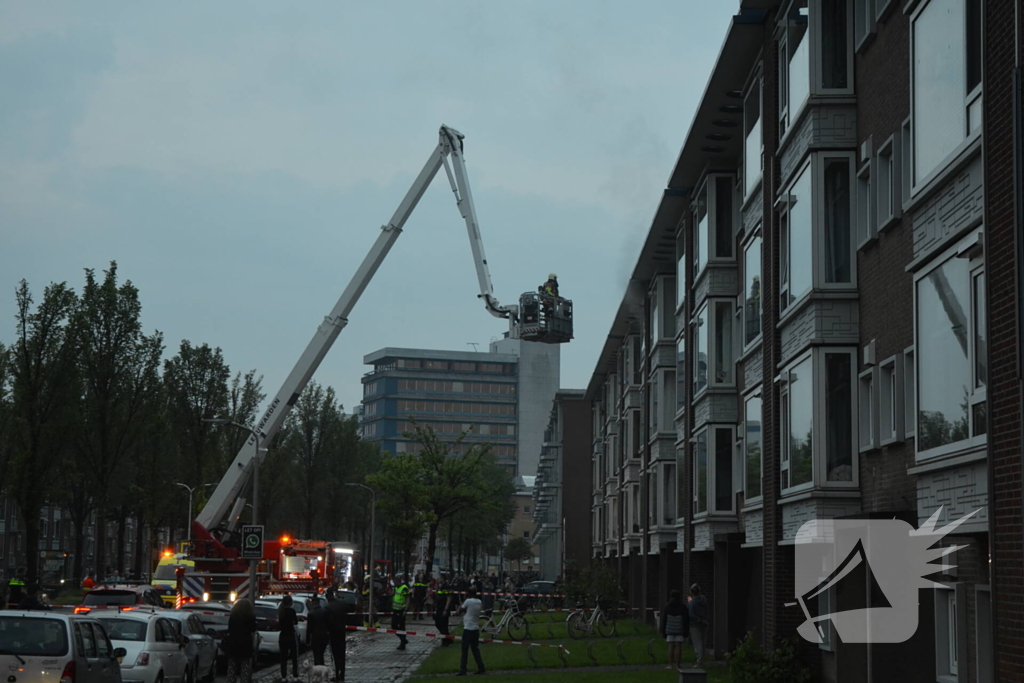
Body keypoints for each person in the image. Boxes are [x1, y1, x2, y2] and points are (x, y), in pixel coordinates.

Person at [223, 599, 257, 683]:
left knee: (232, 664)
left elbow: (230, 628)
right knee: (244, 664)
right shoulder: (250, 616)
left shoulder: (233, 615)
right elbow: (253, 629)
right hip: (245, 643)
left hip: (233, 642)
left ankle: (231, 680)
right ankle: (244, 680)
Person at [456, 587, 485, 676]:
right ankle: (481, 667)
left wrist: (462, 603)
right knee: (475, 649)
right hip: (475, 628)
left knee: (464, 650)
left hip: (468, 628)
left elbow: (459, 611)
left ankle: (463, 669)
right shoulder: (479, 602)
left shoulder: (468, 601)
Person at [660, 590, 689, 671]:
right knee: (678, 646)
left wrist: (663, 631)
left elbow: (664, 619)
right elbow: (686, 620)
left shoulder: (667, 606)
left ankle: (670, 665)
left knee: (670, 647)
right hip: (679, 629)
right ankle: (678, 665)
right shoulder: (683, 607)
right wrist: (686, 631)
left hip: (670, 629)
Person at [326, 591, 350, 681]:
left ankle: (337, 674)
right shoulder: (341, 604)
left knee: (335, 655)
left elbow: (329, 622)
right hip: (342, 632)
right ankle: (342, 674)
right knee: (342, 654)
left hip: (333, 634)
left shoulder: (328, 607)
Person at [277, 595, 300, 681]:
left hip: (283, 635)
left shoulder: (280, 611)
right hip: (291, 635)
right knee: (294, 657)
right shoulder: (292, 611)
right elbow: (295, 623)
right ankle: (295, 676)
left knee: (283, 658)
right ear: (290, 603)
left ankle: (284, 676)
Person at [307, 598, 332, 667]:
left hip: (315, 636)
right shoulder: (325, 612)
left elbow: (309, 628)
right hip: (324, 635)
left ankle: (318, 668)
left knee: (316, 654)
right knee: (321, 653)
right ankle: (322, 666)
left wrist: (307, 640)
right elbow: (329, 623)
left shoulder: (311, 613)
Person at [688, 584, 709, 666]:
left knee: (697, 643)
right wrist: (705, 620)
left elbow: (691, 614)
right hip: (705, 623)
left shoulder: (692, 603)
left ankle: (699, 661)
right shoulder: (704, 599)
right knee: (703, 642)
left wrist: (699, 620)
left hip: (695, 624)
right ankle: (702, 658)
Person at [434, 573, 454, 647]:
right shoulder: (440, 587)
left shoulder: (446, 587)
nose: (438, 579)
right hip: (439, 607)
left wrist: (446, 609)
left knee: (443, 625)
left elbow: (449, 598)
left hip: (443, 608)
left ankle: (445, 641)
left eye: (440, 578)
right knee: (437, 623)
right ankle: (448, 638)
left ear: (443, 579)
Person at [391, 574, 410, 650]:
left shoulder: (404, 588)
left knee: (401, 627)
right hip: (395, 609)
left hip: (401, 610)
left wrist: (406, 610)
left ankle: (403, 643)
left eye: (395, 582)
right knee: (394, 626)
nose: (394, 584)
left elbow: (408, 599)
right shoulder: (396, 588)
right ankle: (403, 640)